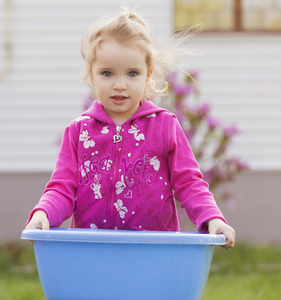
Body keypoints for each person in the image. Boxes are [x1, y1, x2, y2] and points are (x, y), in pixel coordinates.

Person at [25, 8, 235, 249]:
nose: (120, 85)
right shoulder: (78, 132)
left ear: (148, 76)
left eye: (132, 73)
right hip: (92, 251)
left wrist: (212, 218)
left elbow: (189, 183)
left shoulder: (164, 126)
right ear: (91, 76)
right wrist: (42, 213)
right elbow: (62, 188)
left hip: (153, 252)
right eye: (107, 73)